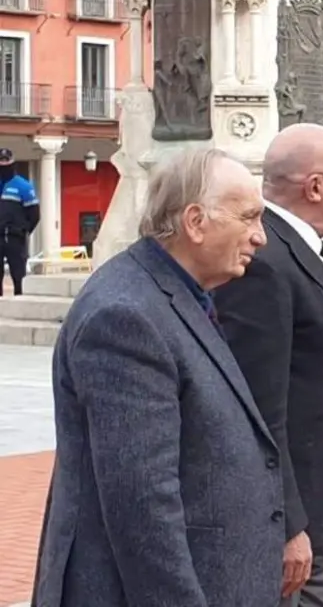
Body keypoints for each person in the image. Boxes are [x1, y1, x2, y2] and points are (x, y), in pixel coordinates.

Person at [32, 146, 283, 607]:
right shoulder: (125, 316)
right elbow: (142, 509)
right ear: (195, 221)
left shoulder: (178, 294)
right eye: (248, 217)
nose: (260, 237)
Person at [214, 123, 323, 607]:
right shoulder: (265, 260)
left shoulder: (295, 248)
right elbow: (257, 413)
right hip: (296, 524)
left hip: (321, 510)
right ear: (315, 186)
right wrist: (288, 526)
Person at [0, 147, 39, 295]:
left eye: (6, 162)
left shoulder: (23, 186)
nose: (3, 166)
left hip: (15, 238)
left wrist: (24, 230)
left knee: (18, 276)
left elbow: (35, 214)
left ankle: (19, 302)